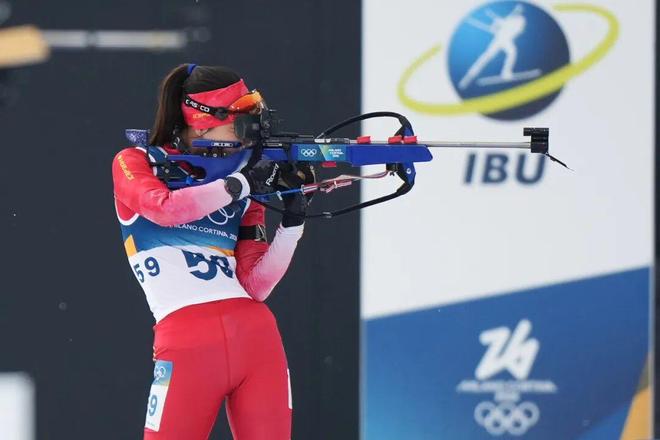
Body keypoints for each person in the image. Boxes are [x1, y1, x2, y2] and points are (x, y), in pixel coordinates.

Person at [111, 63, 312, 439]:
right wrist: (241, 184)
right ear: (202, 123)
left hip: (254, 335)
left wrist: (293, 223)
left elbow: (255, 286)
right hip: (187, 340)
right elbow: (164, 208)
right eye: (240, 120)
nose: (249, 131)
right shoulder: (135, 162)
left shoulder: (242, 178)